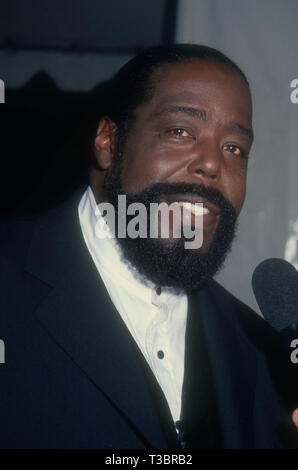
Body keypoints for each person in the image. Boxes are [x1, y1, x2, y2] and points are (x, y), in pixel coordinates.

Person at [0, 44, 297, 449]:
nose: (213, 164)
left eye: (234, 149)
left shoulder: (258, 350)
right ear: (108, 141)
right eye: (181, 132)